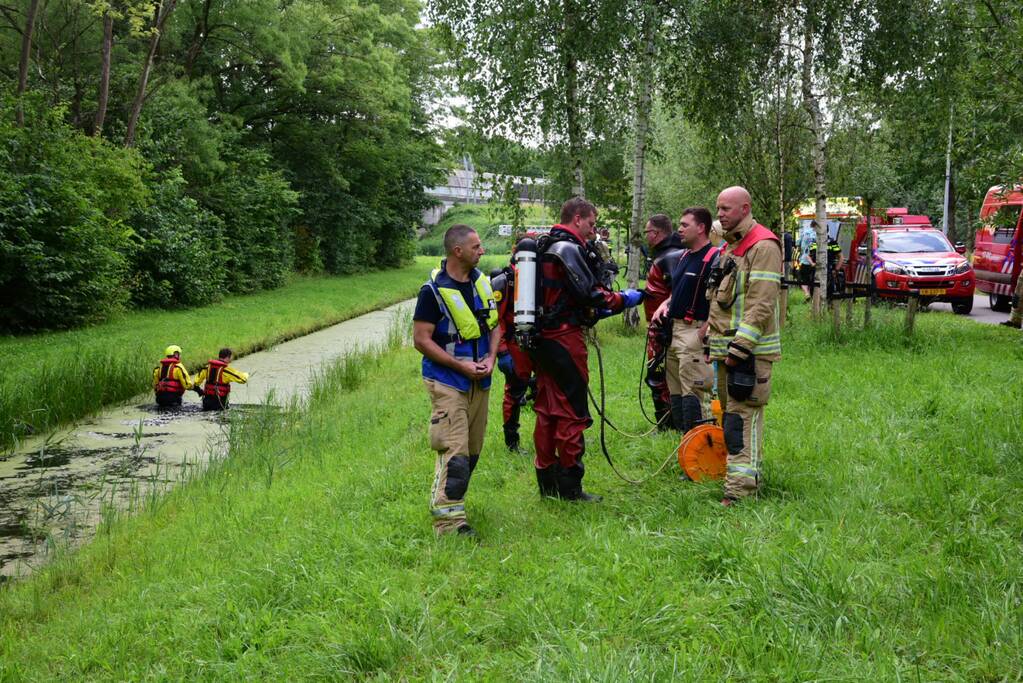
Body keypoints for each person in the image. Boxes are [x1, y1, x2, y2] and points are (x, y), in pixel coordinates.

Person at [530, 197, 643, 502]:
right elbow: (592, 295)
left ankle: (547, 482)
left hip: (540, 340)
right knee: (571, 412)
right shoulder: (567, 249)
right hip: (565, 339)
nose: (593, 231)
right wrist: (626, 299)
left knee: (546, 410)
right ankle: (570, 488)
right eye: (591, 224)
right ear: (577, 218)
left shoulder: (541, 248)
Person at [413, 224, 500, 537]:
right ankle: (449, 526)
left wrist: (491, 358)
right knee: (456, 453)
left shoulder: (481, 284)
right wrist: (458, 365)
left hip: (480, 381)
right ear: (457, 251)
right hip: (447, 381)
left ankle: (449, 504)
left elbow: (495, 326)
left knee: (471, 452)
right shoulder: (432, 293)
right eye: (476, 247)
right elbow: (421, 339)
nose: (482, 251)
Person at [705, 186, 782, 506]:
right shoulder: (732, 246)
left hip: (747, 354)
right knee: (732, 418)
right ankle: (745, 477)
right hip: (726, 351)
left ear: (745, 208)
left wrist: (740, 347)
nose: (719, 214)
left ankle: (739, 493)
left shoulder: (762, 245)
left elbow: (761, 303)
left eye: (725, 209)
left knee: (741, 419)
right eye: (718, 208)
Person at [651, 207, 718, 433]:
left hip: (694, 332)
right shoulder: (683, 256)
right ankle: (684, 448)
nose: (679, 229)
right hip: (674, 333)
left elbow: (721, 300)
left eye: (684, 225)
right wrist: (665, 304)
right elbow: (678, 291)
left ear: (701, 228)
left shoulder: (714, 259)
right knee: (677, 396)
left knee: (695, 398)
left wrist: (703, 332)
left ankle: (703, 454)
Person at [641, 214, 685, 429]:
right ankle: (669, 423)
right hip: (659, 327)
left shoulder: (670, 256)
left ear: (657, 233)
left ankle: (668, 425)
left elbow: (678, 292)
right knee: (661, 375)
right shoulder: (668, 254)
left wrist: (665, 327)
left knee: (661, 377)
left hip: (665, 329)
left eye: (647, 232)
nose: (646, 236)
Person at [492, 251, 535, 452]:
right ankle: (512, 442)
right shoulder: (505, 281)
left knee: (540, 386)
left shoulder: (535, 274)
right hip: (513, 345)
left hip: (534, 344)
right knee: (514, 392)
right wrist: (502, 352)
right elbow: (496, 320)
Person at [798, 221, 817, 300]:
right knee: (812, 280)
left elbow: (799, 244)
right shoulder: (819, 235)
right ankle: (812, 296)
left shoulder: (805, 233)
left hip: (804, 260)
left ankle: (807, 293)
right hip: (815, 261)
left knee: (802, 279)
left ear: (810, 225)